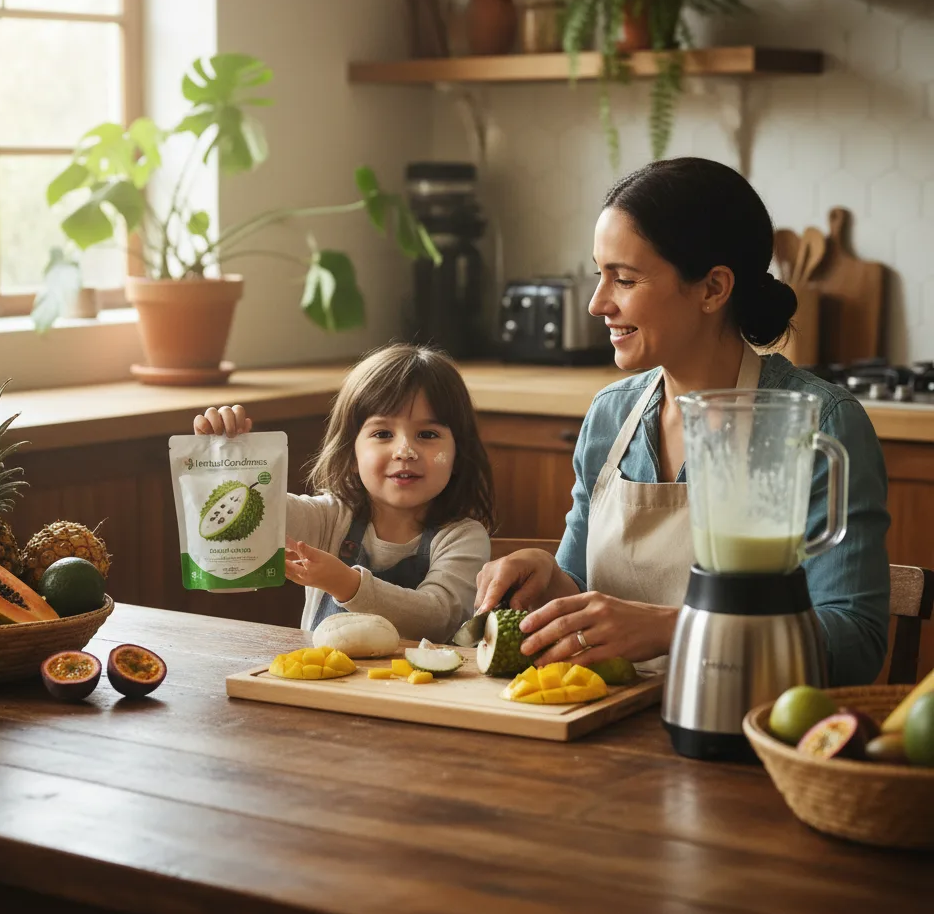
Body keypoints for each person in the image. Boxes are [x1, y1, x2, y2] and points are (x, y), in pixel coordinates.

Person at [475, 157, 890, 687]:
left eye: (624, 279)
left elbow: (854, 642)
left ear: (713, 289)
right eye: (599, 276)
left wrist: (676, 628)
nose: (598, 304)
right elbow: (581, 586)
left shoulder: (820, 424)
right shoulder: (612, 414)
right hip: (602, 730)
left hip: (747, 738)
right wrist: (546, 578)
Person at [195, 343, 494, 642]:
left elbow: (439, 619)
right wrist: (226, 459)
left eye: (427, 435)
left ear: (458, 454)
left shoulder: (463, 538)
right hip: (323, 684)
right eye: (383, 434)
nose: (405, 451)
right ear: (351, 454)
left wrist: (347, 584)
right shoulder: (329, 518)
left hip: (418, 689)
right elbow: (261, 519)